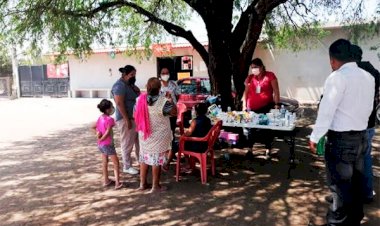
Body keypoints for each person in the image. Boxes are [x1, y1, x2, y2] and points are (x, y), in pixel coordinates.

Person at [309, 39, 374, 225]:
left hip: (341, 140)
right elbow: (369, 108)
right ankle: (355, 219)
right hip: (362, 137)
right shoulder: (367, 77)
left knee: (339, 185)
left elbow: (326, 111)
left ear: (333, 60)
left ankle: (337, 221)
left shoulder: (337, 78)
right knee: (357, 183)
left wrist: (315, 137)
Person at [134, 77, 177, 193]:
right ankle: (155, 186)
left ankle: (142, 184)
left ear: (147, 87)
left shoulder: (139, 100)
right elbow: (174, 113)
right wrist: (170, 100)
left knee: (144, 158)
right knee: (156, 160)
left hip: (144, 135)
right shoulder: (163, 102)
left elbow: (135, 114)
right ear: (159, 89)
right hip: (158, 136)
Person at [351, 44, 379, 203]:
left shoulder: (352, 73)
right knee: (365, 159)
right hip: (369, 124)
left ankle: (347, 197)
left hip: (353, 125)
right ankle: (367, 193)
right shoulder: (374, 72)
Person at [242, 58, 280, 159]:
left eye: (256, 67)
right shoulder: (250, 78)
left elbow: (276, 91)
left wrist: (277, 104)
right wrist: (245, 106)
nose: (254, 69)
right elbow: (246, 93)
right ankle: (250, 149)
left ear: (262, 66)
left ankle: (268, 149)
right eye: (252, 68)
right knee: (251, 129)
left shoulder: (270, 75)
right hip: (251, 108)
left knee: (266, 129)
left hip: (266, 107)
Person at [111, 65, 140, 175]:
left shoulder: (129, 85)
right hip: (125, 119)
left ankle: (140, 161)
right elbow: (119, 103)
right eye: (132, 75)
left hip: (134, 118)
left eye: (135, 75)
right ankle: (127, 166)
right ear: (125, 74)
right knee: (127, 143)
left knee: (138, 141)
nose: (134, 77)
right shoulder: (119, 86)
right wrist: (127, 119)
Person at [93, 99, 123, 190]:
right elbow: (107, 132)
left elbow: (93, 127)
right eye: (111, 107)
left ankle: (106, 180)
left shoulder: (100, 117)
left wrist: (98, 135)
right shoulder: (110, 119)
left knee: (105, 162)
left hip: (101, 145)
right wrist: (102, 138)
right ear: (107, 109)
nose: (112, 109)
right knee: (116, 163)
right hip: (108, 144)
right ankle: (117, 183)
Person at [158, 67, 180, 170]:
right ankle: (163, 155)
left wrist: (172, 104)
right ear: (160, 74)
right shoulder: (157, 85)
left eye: (167, 73)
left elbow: (178, 96)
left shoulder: (174, 84)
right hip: (161, 114)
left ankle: (172, 153)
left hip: (172, 113)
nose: (165, 75)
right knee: (163, 135)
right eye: (163, 73)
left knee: (171, 133)